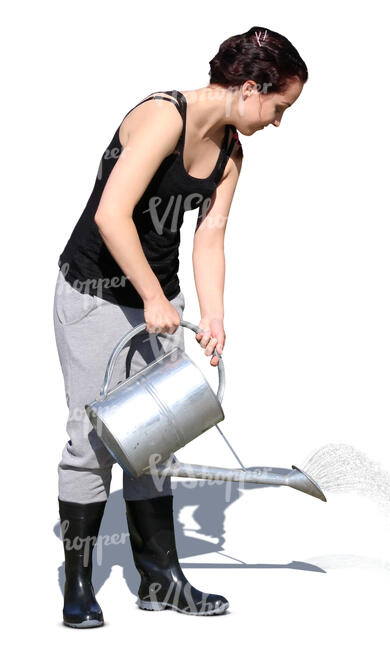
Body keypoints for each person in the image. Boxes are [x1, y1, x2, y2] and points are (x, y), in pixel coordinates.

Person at [53, 25, 308, 627]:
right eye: (279, 106)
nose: (277, 121)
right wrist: (149, 295)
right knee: (92, 444)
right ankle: (79, 585)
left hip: (157, 302)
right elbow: (111, 215)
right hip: (94, 296)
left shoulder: (229, 153)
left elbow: (211, 235)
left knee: (154, 441)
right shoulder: (161, 117)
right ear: (251, 87)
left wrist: (213, 314)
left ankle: (160, 580)